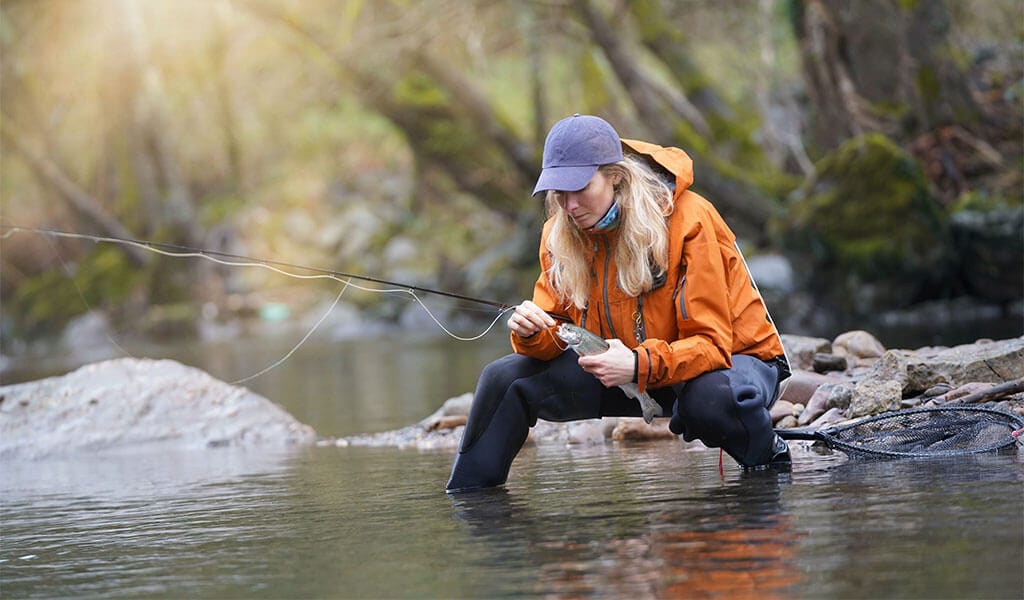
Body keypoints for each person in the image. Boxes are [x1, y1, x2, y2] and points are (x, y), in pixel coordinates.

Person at [446, 114, 791, 493]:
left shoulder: (690, 220)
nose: (570, 205)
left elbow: (711, 346)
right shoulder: (559, 233)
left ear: (615, 175)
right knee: (503, 379)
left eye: (580, 188)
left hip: (730, 364)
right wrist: (532, 333)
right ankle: (470, 503)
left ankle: (770, 463)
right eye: (559, 193)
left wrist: (638, 363)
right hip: (629, 374)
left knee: (711, 401)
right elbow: (556, 331)